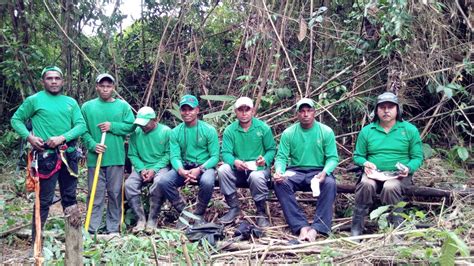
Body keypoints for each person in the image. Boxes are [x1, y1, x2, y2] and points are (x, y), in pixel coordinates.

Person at [11, 66, 86, 245]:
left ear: (62, 81)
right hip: (46, 157)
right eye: (49, 78)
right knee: (43, 200)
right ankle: (36, 240)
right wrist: (29, 137)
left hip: (68, 155)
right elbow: (16, 119)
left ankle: (74, 240)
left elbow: (81, 125)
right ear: (43, 81)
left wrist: (62, 137)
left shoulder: (70, 102)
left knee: (70, 197)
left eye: (57, 78)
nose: (53, 81)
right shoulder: (34, 100)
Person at [351, 92, 423, 237]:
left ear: (398, 110)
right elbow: (357, 155)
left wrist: (408, 168)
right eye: (382, 107)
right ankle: (356, 229)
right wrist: (365, 163)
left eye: (390, 107)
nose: (386, 110)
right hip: (374, 173)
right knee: (366, 185)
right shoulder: (367, 131)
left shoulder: (409, 130)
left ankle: (395, 231)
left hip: (398, 175)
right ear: (376, 111)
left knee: (390, 187)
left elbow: (417, 157)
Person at [273, 98, 339, 242]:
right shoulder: (289, 133)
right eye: (302, 111)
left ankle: (317, 228)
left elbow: (333, 158)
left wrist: (325, 172)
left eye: (309, 111)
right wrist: (279, 171)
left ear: (314, 112)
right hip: (295, 171)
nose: (305, 114)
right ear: (297, 114)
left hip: (318, 171)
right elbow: (281, 157)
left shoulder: (326, 131)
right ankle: (301, 226)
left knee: (329, 183)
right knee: (280, 183)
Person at [81, 73, 135, 235]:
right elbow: (82, 130)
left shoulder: (123, 106)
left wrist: (113, 126)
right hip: (94, 159)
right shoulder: (87, 107)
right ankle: (92, 229)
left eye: (108, 86)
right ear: (96, 87)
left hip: (116, 158)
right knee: (95, 194)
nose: (105, 89)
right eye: (102, 86)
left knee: (115, 193)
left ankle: (113, 229)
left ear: (113, 88)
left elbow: (131, 126)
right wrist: (92, 145)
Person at [158, 95, 219, 228]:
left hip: (205, 166)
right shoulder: (175, 132)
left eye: (190, 109)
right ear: (180, 111)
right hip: (185, 167)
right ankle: (184, 212)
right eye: (184, 109)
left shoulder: (209, 130)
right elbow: (174, 156)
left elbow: (215, 156)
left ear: (197, 110)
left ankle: (198, 214)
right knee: (164, 181)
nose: (187, 113)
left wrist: (200, 169)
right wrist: (181, 170)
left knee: (208, 181)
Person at [217, 97, 276, 227]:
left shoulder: (263, 128)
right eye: (240, 110)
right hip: (238, 169)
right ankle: (233, 207)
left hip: (258, 168)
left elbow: (271, 149)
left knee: (256, 177)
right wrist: (234, 162)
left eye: (247, 110)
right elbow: (225, 153)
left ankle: (260, 212)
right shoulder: (230, 130)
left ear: (253, 111)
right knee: (223, 170)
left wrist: (264, 159)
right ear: (235, 112)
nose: (244, 113)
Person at [125, 106, 172, 233]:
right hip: (142, 167)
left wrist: (154, 169)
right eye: (140, 124)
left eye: (145, 124)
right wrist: (141, 169)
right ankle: (140, 219)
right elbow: (132, 154)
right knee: (129, 185)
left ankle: (152, 218)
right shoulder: (136, 133)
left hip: (160, 166)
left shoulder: (166, 132)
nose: (142, 127)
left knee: (159, 182)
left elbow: (169, 154)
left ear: (154, 120)